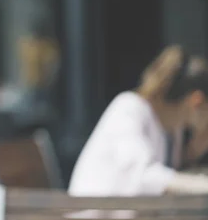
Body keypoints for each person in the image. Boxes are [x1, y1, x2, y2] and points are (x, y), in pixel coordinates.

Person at [69, 45, 208, 196]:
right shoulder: (129, 108)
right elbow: (143, 178)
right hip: (93, 216)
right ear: (196, 101)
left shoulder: (171, 130)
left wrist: (193, 151)